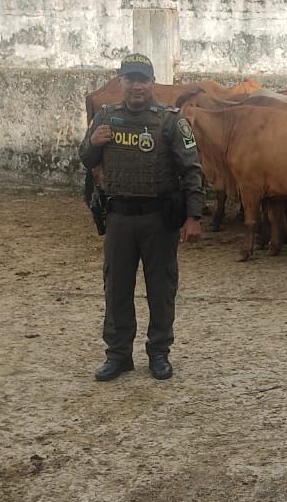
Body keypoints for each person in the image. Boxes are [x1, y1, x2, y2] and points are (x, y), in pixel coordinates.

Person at [79, 53, 205, 382]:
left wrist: (194, 216)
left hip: (159, 220)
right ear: (121, 82)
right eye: (130, 79)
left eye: (143, 79)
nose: (137, 86)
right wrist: (93, 143)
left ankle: (159, 353)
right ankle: (118, 355)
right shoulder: (105, 117)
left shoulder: (172, 121)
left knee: (161, 289)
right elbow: (84, 156)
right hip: (119, 218)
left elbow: (192, 169)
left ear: (152, 83)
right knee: (116, 289)